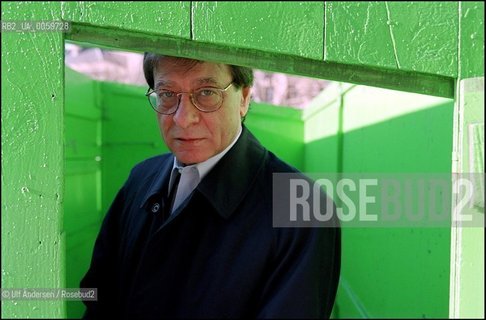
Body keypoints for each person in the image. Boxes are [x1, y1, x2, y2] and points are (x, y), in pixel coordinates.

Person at [80, 53, 341, 319]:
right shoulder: (140, 178)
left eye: (206, 92)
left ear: (244, 97)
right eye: (167, 94)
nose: (183, 118)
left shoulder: (304, 208)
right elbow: (100, 299)